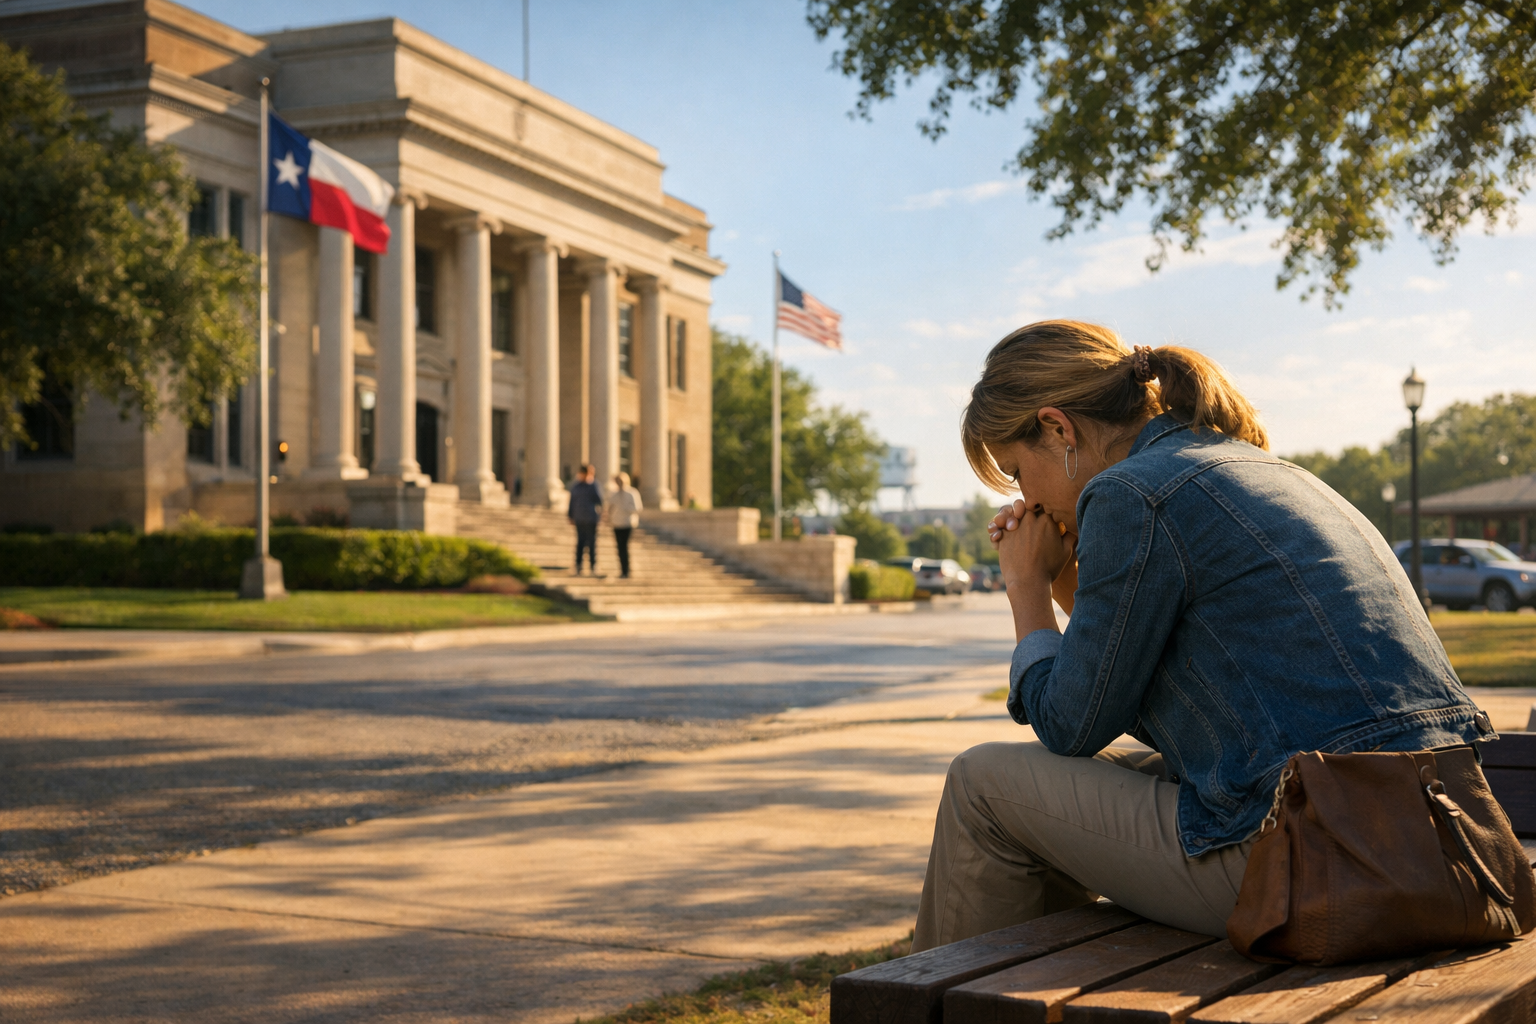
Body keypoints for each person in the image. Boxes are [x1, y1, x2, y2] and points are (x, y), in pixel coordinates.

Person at [913, 320, 1492, 951]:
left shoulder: (1128, 494)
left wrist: (1026, 588)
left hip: (1318, 859)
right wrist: (1069, 585)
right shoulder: (1267, 470)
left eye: (1017, 472)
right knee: (1094, 773)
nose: (1026, 498)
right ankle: (1021, 990)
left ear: (1058, 429)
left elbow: (1068, 725)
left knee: (982, 782)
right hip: (1442, 842)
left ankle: (960, 994)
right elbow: (1155, 709)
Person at [567, 463, 602, 576]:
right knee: (580, 543)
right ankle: (578, 566)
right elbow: (571, 502)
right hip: (579, 518)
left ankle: (593, 566)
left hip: (591, 519)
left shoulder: (593, 485)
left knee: (591, 543)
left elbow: (599, 501)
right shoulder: (576, 486)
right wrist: (570, 515)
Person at [608, 472, 643, 578]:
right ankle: (623, 570)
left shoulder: (632, 493)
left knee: (624, 546)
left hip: (627, 523)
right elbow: (610, 508)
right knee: (619, 547)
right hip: (616, 523)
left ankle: (626, 570)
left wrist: (626, 509)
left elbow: (638, 508)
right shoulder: (613, 494)